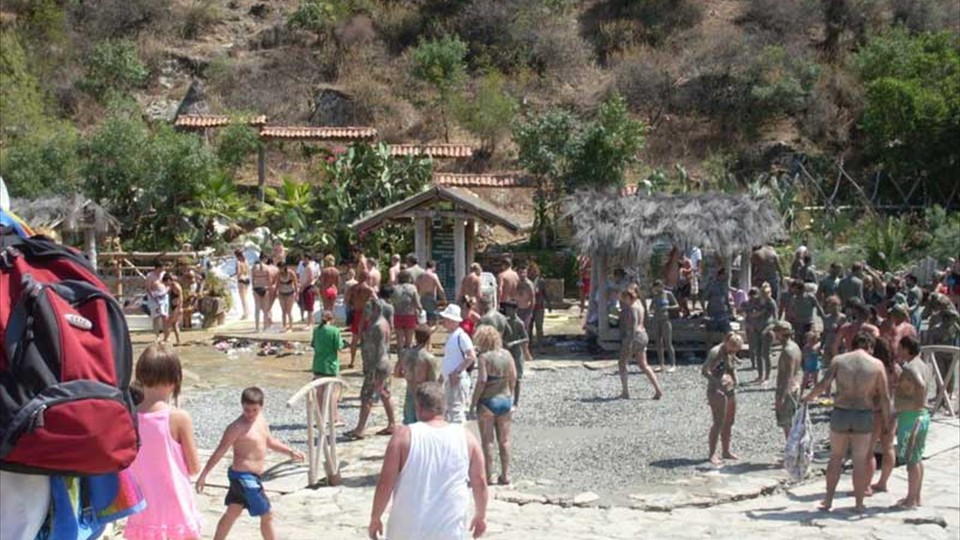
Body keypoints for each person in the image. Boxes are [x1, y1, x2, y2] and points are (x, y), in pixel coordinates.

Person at [368, 382, 487, 540]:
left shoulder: (404, 436)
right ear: (444, 407)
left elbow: (385, 482)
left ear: (418, 406)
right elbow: (480, 481)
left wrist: (375, 517)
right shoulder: (467, 437)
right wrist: (481, 515)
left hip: (407, 529)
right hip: (449, 530)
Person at [196, 387, 305, 540]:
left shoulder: (261, 420)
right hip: (245, 478)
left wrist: (290, 452)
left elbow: (269, 441)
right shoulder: (236, 428)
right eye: (247, 410)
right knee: (267, 515)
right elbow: (220, 451)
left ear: (261, 406)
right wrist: (204, 474)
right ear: (242, 406)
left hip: (247, 478)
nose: (250, 414)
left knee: (233, 511)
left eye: (254, 410)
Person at [802, 331, 889, 512]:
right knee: (859, 461)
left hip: (841, 412)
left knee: (835, 458)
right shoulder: (877, 364)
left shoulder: (839, 360)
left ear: (852, 345)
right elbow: (885, 398)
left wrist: (807, 398)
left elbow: (823, 384)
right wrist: (887, 423)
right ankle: (858, 504)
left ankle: (828, 500)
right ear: (870, 347)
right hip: (863, 414)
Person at [124, 344, 201, 540]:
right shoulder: (178, 417)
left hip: (141, 509)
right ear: (175, 379)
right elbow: (193, 467)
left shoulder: (127, 417)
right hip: (175, 507)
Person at [470, 325, 517, 486]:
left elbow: (482, 380)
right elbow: (514, 377)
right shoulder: (507, 354)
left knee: (487, 441)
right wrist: (511, 395)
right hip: (505, 399)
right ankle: (505, 475)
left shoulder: (484, 357)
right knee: (504, 441)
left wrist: (473, 402)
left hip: (488, 401)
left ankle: (488, 476)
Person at [347, 298, 398, 439]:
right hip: (384, 363)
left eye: (368, 310)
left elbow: (372, 349)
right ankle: (392, 423)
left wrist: (370, 369)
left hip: (377, 365)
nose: (365, 313)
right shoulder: (385, 323)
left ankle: (360, 429)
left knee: (367, 397)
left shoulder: (376, 326)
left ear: (375, 310)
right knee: (385, 394)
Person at [893, 336, 930, 508]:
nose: (897, 351)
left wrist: (917, 404)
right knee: (916, 457)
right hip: (919, 416)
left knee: (911, 460)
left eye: (900, 348)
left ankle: (910, 499)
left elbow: (920, 385)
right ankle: (916, 497)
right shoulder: (923, 364)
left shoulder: (910, 367)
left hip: (911, 417)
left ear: (907, 349)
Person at [702, 332, 743, 466]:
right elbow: (705, 371)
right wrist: (716, 382)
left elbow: (732, 367)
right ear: (726, 342)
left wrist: (736, 380)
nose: (733, 351)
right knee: (718, 422)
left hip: (730, 389)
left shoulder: (730, 352)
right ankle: (712, 453)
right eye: (732, 348)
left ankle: (726, 450)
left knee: (729, 422)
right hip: (717, 390)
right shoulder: (716, 352)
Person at [619, 285, 664, 400]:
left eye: (624, 298)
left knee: (622, 363)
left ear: (629, 297)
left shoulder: (632, 307)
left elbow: (633, 326)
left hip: (635, 336)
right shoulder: (640, 304)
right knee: (644, 365)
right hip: (643, 335)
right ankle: (658, 389)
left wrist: (629, 343)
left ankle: (625, 392)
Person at [438, 305, 477, 423]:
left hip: (457, 379)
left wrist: (457, 372)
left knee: (456, 412)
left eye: (446, 319)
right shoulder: (452, 336)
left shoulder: (461, 336)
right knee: (450, 411)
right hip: (450, 379)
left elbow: (471, 356)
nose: (444, 322)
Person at [396, 326, 439, 425]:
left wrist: (408, 376)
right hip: (423, 394)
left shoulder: (404, 353)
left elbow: (396, 373)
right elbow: (433, 382)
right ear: (428, 338)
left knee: (409, 424)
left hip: (410, 391)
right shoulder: (429, 358)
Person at [312, 311, 346, 426]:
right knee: (333, 393)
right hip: (331, 365)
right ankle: (334, 419)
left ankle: (320, 419)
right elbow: (339, 347)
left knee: (319, 393)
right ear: (332, 319)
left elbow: (313, 344)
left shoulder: (316, 330)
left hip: (318, 364)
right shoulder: (335, 331)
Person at [772, 322, 802, 440]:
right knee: (792, 423)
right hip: (795, 387)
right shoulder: (795, 346)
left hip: (788, 389)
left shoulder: (788, 351)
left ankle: (792, 453)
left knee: (788, 425)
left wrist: (782, 397)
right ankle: (794, 452)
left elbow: (788, 375)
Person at [501, 300, 533, 406]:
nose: (508, 311)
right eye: (507, 309)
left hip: (516, 352)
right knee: (506, 377)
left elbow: (525, 338)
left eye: (510, 309)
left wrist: (515, 342)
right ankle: (507, 398)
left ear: (515, 310)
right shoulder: (505, 321)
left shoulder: (519, 323)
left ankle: (516, 401)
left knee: (518, 378)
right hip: (507, 352)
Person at [346, 271, 375, 369]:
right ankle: (367, 362)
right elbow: (377, 301)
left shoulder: (353, 288)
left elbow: (346, 300)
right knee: (367, 340)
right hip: (366, 315)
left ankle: (352, 361)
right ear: (367, 278)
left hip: (356, 313)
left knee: (354, 340)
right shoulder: (368, 289)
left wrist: (352, 304)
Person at [784, 280, 825, 346]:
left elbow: (819, 308)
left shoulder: (810, 297)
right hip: (797, 324)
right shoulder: (794, 299)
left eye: (795, 289)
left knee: (809, 343)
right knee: (798, 343)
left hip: (808, 323)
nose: (793, 291)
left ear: (801, 288)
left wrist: (824, 319)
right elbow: (790, 312)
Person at [649, 280, 679, 372]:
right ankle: (661, 364)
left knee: (668, 342)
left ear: (662, 286)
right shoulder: (655, 296)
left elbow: (676, 305)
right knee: (658, 343)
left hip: (666, 320)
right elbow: (651, 307)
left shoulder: (668, 294)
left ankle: (673, 364)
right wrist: (652, 309)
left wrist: (668, 307)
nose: (657, 289)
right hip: (656, 319)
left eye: (658, 287)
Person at [392, 270, 422, 349]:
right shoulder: (412, 288)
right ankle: (408, 359)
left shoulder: (394, 288)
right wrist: (420, 310)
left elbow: (392, 302)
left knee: (399, 340)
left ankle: (401, 358)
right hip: (409, 315)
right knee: (409, 341)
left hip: (397, 314)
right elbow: (417, 303)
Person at [704, 266, 734, 336]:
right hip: (712, 310)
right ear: (720, 275)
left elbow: (726, 298)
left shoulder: (725, 284)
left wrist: (730, 310)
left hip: (722, 311)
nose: (725, 277)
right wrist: (704, 310)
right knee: (710, 330)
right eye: (724, 275)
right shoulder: (711, 284)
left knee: (728, 330)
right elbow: (704, 298)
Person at [416, 261, 446, 326]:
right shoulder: (433, 276)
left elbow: (416, 288)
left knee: (424, 320)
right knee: (434, 321)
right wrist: (444, 299)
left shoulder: (420, 276)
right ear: (434, 267)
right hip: (431, 299)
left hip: (422, 298)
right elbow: (440, 289)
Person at [527, 262, 549, 349]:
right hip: (529, 307)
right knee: (529, 327)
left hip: (539, 306)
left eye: (535, 271)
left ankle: (541, 345)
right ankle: (529, 346)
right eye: (531, 271)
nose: (533, 273)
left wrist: (549, 304)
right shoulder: (527, 281)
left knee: (539, 326)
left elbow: (545, 293)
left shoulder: (541, 281)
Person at [821, 295, 846, 370]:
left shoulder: (843, 318)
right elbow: (825, 332)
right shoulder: (826, 318)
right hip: (828, 342)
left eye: (835, 305)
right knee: (828, 366)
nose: (833, 307)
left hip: (839, 344)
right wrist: (821, 345)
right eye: (831, 305)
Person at [145, 260, 169, 337]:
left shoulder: (164, 274)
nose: (162, 270)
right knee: (156, 317)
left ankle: (166, 336)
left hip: (164, 297)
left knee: (165, 317)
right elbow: (148, 288)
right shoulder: (150, 276)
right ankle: (157, 336)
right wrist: (154, 297)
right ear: (156, 268)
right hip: (154, 298)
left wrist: (165, 291)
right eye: (160, 268)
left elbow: (169, 284)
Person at [162, 273, 184, 346]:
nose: (165, 284)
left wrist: (180, 308)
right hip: (173, 307)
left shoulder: (176, 287)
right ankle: (178, 340)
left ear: (169, 280)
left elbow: (181, 299)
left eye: (165, 282)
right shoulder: (171, 286)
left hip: (177, 307)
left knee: (169, 323)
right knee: (175, 324)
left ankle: (165, 339)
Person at [276, 261, 298, 332]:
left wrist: (297, 294)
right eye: (279, 268)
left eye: (281, 267)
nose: (280, 269)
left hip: (290, 293)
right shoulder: (279, 274)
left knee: (289, 311)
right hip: (281, 293)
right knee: (283, 311)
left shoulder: (291, 273)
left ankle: (291, 327)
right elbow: (277, 283)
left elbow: (296, 284)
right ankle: (284, 326)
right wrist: (276, 292)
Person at [251, 256, 271, 332]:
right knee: (265, 309)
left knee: (257, 309)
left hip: (257, 288)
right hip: (265, 288)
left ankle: (257, 328)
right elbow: (269, 280)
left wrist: (253, 288)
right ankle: (265, 327)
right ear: (265, 259)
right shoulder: (267, 268)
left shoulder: (254, 268)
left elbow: (253, 279)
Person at [298, 254, 316, 326]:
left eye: (304, 259)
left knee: (309, 307)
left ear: (307, 259)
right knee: (308, 307)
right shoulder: (308, 267)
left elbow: (310, 279)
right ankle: (310, 322)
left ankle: (309, 324)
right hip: (306, 287)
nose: (303, 260)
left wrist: (303, 286)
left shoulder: (309, 267)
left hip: (308, 288)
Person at [515, 265, 535, 331]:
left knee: (525, 328)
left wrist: (531, 311)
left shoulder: (529, 284)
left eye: (524, 272)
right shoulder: (517, 282)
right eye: (520, 272)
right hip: (518, 309)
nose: (522, 274)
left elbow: (533, 298)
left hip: (526, 309)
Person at [236, 250, 250, 320]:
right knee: (245, 297)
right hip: (247, 279)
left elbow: (238, 272)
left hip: (241, 279)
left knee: (243, 298)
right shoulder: (246, 261)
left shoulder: (238, 262)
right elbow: (248, 271)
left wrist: (236, 278)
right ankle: (247, 311)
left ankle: (245, 313)